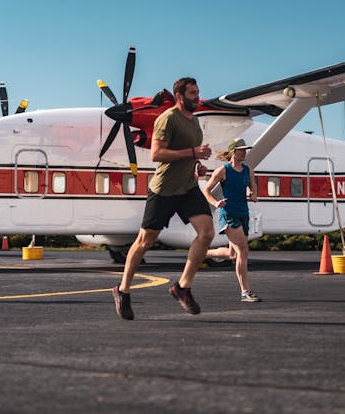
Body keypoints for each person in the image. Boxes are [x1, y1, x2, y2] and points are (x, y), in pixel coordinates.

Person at [112, 77, 215, 320]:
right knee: (145, 241)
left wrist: (198, 165)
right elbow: (157, 154)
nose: (197, 96)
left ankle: (182, 288)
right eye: (192, 93)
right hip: (164, 189)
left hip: (188, 188)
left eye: (198, 92)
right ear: (180, 96)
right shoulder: (167, 119)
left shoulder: (195, 123)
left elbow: (192, 156)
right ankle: (123, 290)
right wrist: (192, 153)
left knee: (207, 233)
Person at [202, 138, 261, 303]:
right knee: (243, 251)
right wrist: (215, 203)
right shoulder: (223, 170)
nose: (244, 152)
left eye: (245, 149)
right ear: (233, 152)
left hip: (244, 213)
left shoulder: (248, 170)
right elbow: (206, 190)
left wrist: (253, 193)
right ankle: (245, 291)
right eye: (241, 149)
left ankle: (203, 253)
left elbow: (252, 185)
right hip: (228, 214)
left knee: (233, 254)